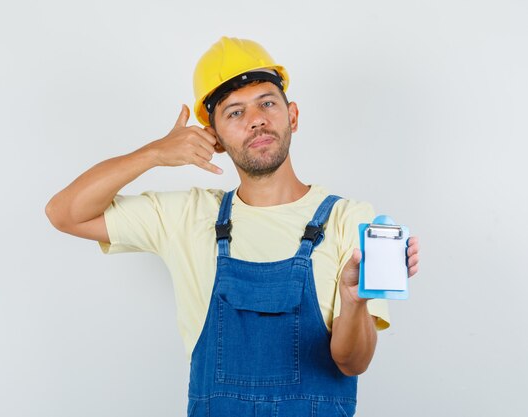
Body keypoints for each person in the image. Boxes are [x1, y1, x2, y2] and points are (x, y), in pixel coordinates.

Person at [45, 36, 420, 417]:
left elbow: (352, 363)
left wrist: (354, 302)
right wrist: (155, 153)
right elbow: (65, 213)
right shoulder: (188, 216)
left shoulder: (349, 219)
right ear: (216, 139)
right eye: (235, 113)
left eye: (267, 103)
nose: (256, 119)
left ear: (292, 115)